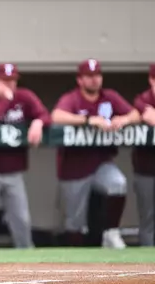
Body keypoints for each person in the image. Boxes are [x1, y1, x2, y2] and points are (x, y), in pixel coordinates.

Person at [51, 59, 140, 249]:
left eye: (97, 76)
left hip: (101, 161)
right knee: (74, 224)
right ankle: (74, 260)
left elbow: (136, 114)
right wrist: (89, 120)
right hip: (73, 167)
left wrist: (123, 119)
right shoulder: (73, 98)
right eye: (89, 77)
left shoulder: (109, 97)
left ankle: (111, 232)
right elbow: (57, 116)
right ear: (80, 80)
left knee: (118, 183)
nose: (94, 80)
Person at [0, 63, 50, 249]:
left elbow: (46, 115)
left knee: (21, 218)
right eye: (4, 80)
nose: (9, 84)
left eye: (12, 80)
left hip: (15, 170)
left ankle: (27, 257)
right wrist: (5, 101)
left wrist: (38, 123)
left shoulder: (25, 96)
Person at [132, 64, 155, 246]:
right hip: (146, 169)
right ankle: (148, 262)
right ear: (151, 80)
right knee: (148, 218)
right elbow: (145, 116)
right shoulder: (142, 100)